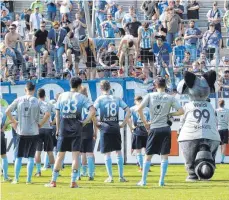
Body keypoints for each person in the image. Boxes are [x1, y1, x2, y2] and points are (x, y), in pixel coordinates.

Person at [45, 77, 96, 188]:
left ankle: (53, 181)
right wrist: (84, 121)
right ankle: (73, 182)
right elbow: (93, 110)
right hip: (76, 129)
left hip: (63, 129)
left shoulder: (62, 96)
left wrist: (58, 128)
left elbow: (57, 114)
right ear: (79, 85)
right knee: (75, 156)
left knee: (59, 156)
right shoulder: (82, 97)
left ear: (70, 84)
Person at [135, 77, 184, 186]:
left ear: (155, 86)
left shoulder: (150, 96)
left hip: (154, 128)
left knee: (148, 155)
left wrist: (145, 123)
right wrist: (171, 114)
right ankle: (161, 181)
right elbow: (181, 111)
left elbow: (139, 109)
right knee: (164, 156)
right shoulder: (170, 98)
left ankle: (143, 181)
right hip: (166, 128)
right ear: (165, 86)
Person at [5, 82, 48, 184]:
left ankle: (16, 178)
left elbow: (7, 111)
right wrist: (40, 124)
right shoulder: (37, 101)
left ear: (25, 89)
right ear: (34, 90)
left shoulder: (19, 99)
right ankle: (28, 180)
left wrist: (14, 122)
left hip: (21, 131)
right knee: (31, 157)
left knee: (19, 157)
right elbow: (47, 113)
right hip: (33, 132)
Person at [94, 80, 131, 183]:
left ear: (101, 89)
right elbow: (128, 110)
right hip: (115, 127)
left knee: (107, 154)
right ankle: (121, 177)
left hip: (105, 127)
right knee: (118, 152)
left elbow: (92, 111)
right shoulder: (117, 98)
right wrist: (124, 123)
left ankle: (110, 177)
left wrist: (96, 122)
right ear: (110, 87)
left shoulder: (100, 99)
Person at [35, 89, 55, 177]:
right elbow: (58, 114)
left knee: (37, 151)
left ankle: (38, 171)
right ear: (45, 95)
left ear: (37, 95)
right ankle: (54, 171)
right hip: (48, 129)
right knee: (50, 151)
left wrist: (38, 124)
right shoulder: (49, 104)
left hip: (38, 129)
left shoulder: (35, 104)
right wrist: (53, 122)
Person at [79, 86, 97, 180]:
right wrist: (95, 131)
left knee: (81, 153)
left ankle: (81, 173)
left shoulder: (78, 103)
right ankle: (91, 174)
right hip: (89, 130)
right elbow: (94, 119)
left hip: (79, 130)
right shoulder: (90, 104)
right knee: (89, 153)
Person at [128, 96, 150, 172]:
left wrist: (131, 127)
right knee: (143, 150)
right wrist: (131, 126)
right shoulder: (146, 109)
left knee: (141, 151)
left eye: (140, 100)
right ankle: (144, 167)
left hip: (140, 131)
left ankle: (142, 167)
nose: (139, 102)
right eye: (139, 100)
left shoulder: (133, 109)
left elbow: (128, 118)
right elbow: (128, 118)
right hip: (140, 131)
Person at [1, 96, 12, 182]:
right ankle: (5, 176)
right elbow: (8, 120)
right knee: (3, 155)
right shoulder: (3, 111)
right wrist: (4, 127)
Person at [216, 99, 229, 164]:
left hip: (218, 129)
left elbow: (215, 120)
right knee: (224, 145)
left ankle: (213, 158)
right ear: (224, 104)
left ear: (219, 104)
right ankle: (222, 160)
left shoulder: (216, 111)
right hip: (225, 129)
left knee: (216, 145)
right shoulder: (228, 111)